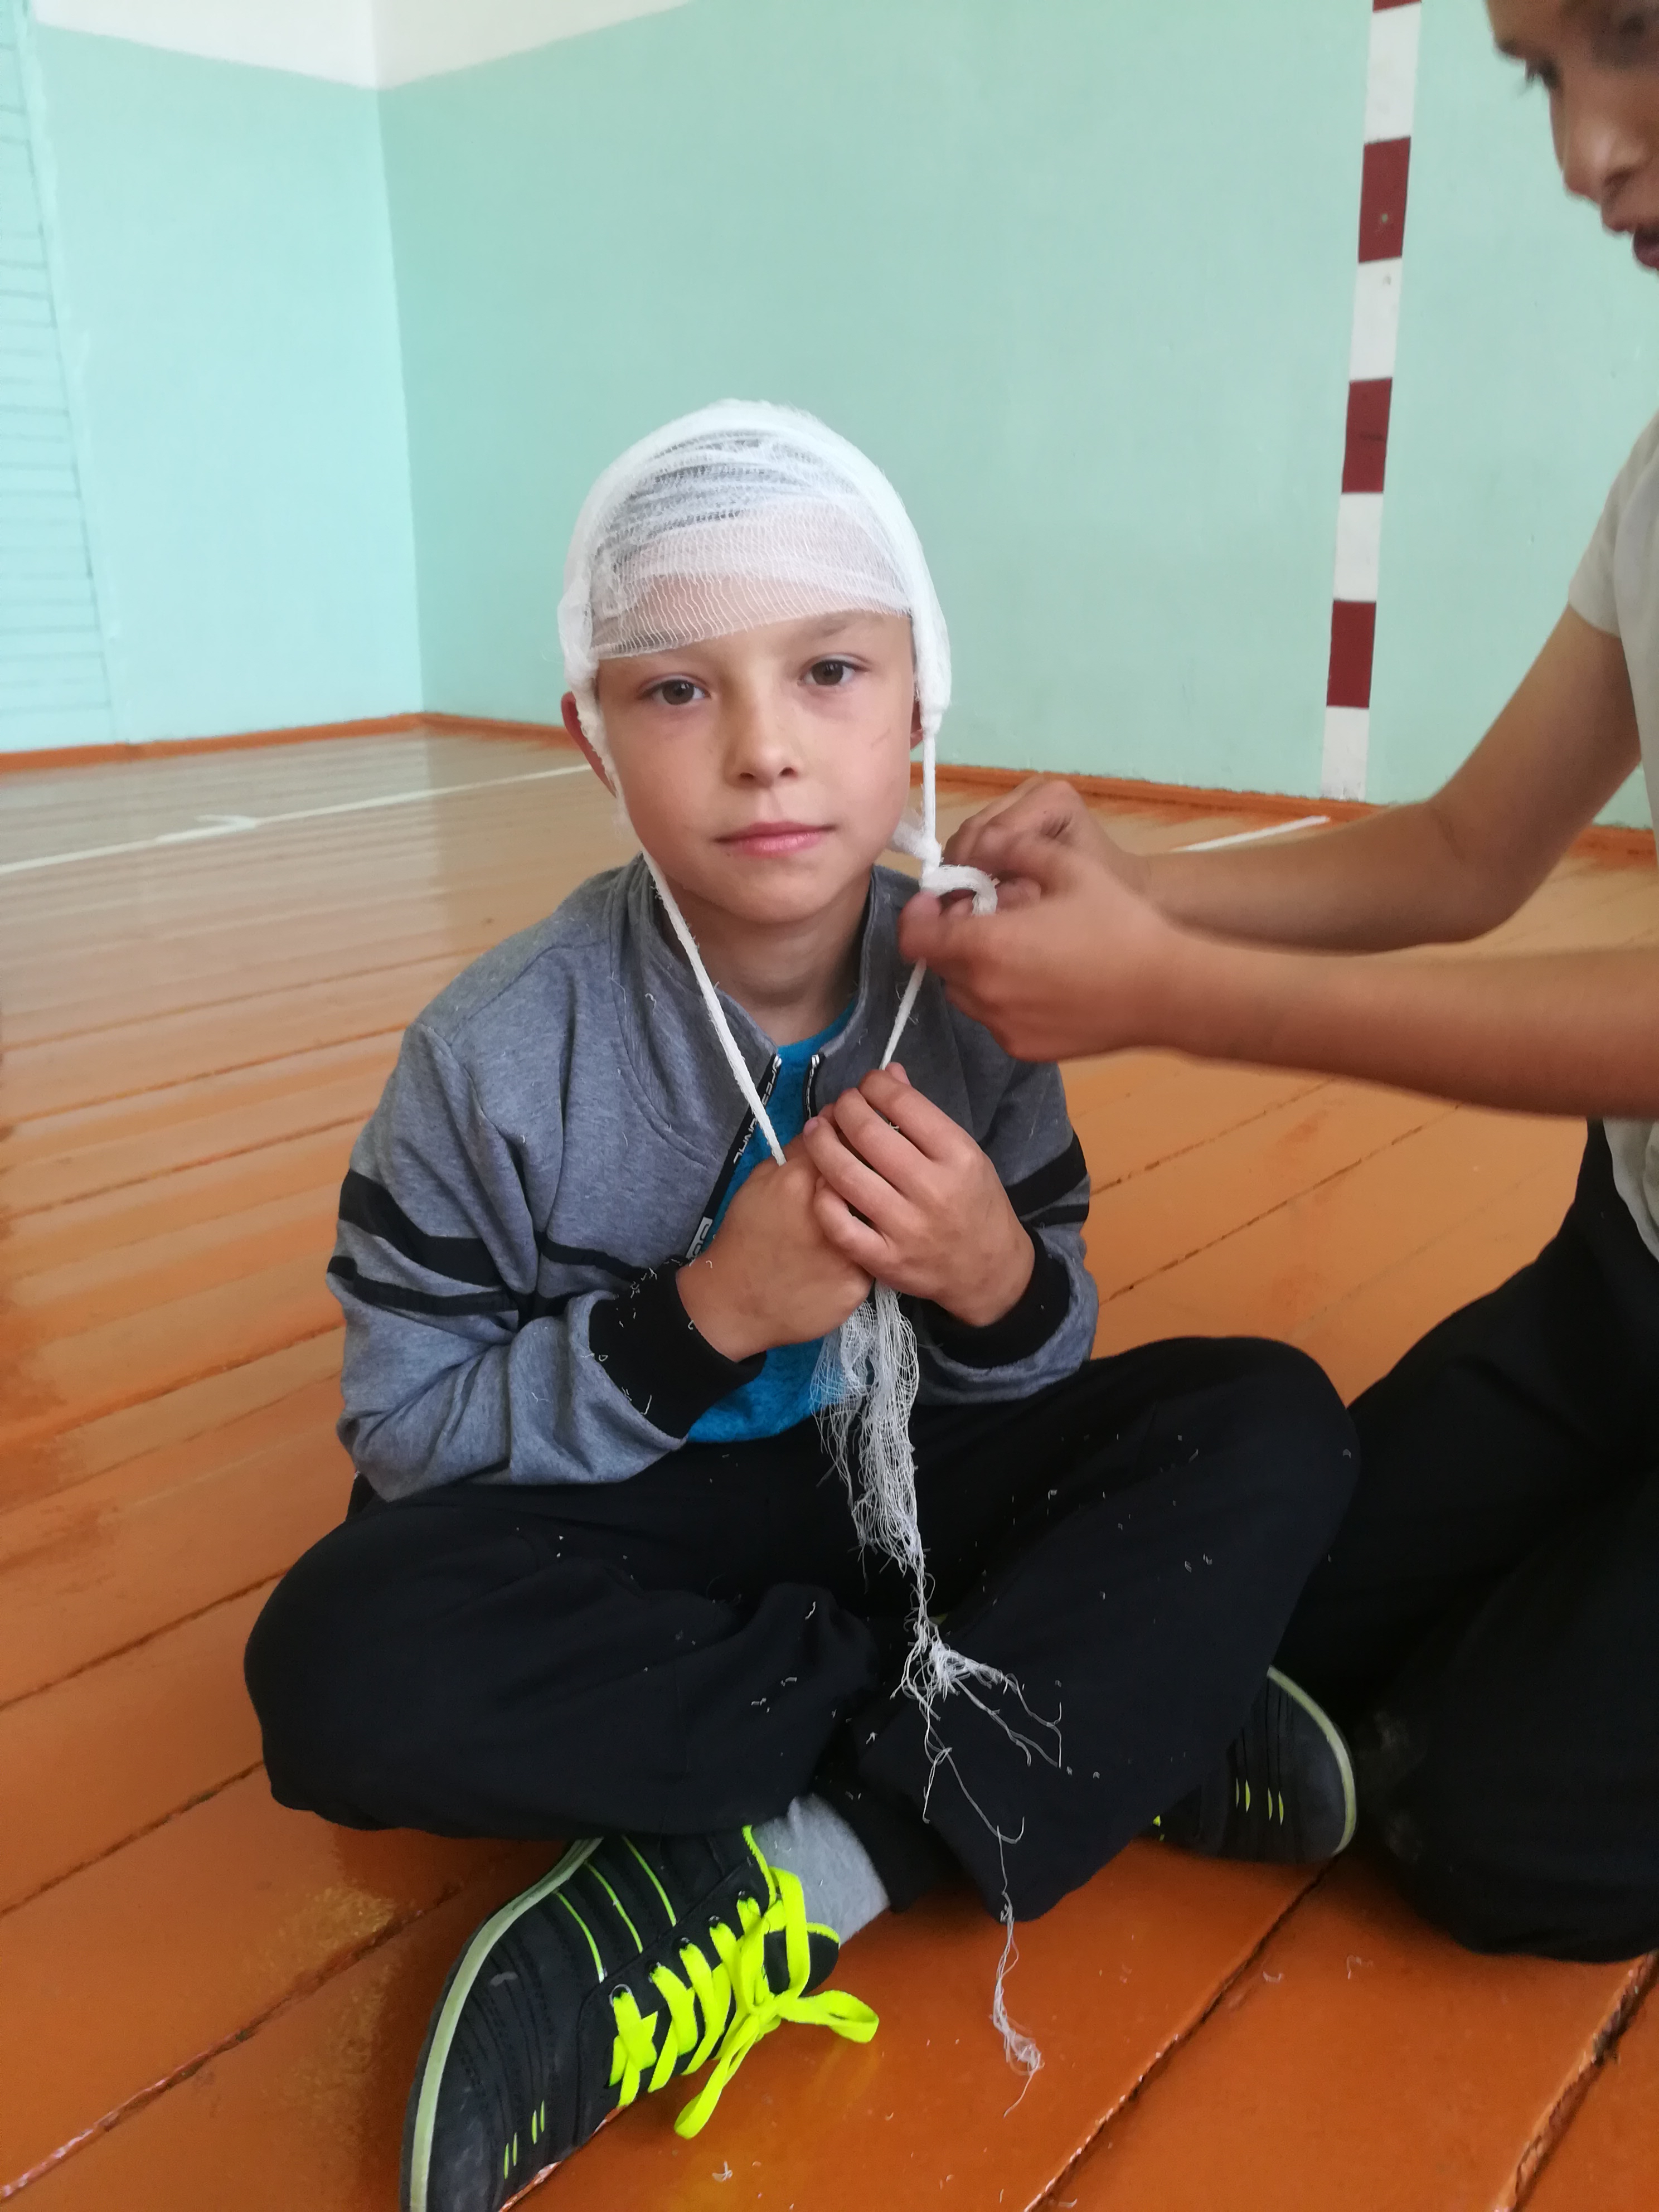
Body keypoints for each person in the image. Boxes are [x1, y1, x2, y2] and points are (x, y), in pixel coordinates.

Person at [245, 403, 1357, 2212]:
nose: (764, 748)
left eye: (830, 670)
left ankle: (819, 1860)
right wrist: (701, 1316)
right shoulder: (495, 1054)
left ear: (919, 703)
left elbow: (1043, 1359)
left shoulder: (978, 995)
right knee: (337, 1664)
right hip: (634, 1539)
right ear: (592, 735)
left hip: (903, 1507)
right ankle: (1078, 1711)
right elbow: (407, 1433)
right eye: (678, 689)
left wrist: (993, 1278)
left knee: (1268, 1415)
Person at [899, 0, 1659, 1968]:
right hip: (1632, 1277)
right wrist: (1152, 891)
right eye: (1544, 74)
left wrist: (1176, 993)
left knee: (1487, 1823)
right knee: (1268, 1614)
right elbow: (1470, 850)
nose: (1586, 150)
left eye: (1634, 35)